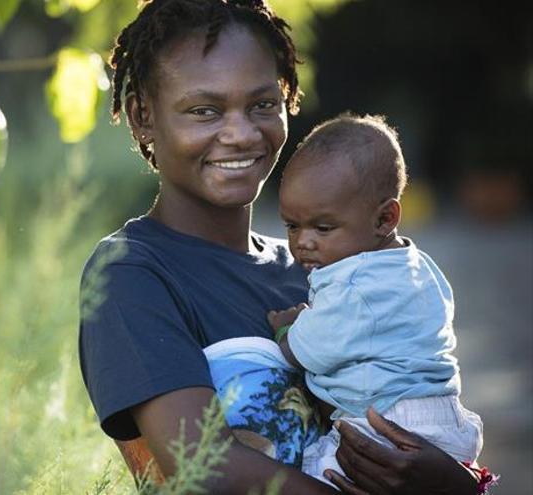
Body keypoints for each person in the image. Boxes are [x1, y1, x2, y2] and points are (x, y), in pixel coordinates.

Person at [78, 1, 485, 493]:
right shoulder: (132, 272)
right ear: (144, 116)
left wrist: (453, 482)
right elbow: (202, 464)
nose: (241, 133)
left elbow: (404, 403)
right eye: (204, 110)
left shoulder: (321, 265)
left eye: (262, 104)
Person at [207, 113, 483, 487]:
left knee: (319, 475)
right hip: (443, 418)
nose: (303, 241)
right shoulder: (417, 265)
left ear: (385, 218)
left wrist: (289, 326)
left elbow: (305, 352)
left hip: (386, 427)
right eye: (292, 225)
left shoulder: (352, 284)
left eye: (323, 227)